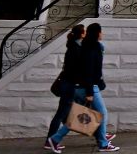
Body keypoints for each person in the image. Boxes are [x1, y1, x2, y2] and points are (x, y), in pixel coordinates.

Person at [49, 22, 118, 152]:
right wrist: (90, 92)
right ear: (97, 33)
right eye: (100, 31)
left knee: (81, 116)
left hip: (82, 87)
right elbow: (89, 71)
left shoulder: (87, 46)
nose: (102, 34)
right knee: (101, 114)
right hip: (89, 87)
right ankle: (103, 143)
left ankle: (55, 139)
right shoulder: (93, 48)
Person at [44, 24, 85, 152]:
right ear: (82, 34)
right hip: (69, 86)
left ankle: (52, 139)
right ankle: (51, 140)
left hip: (68, 84)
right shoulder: (75, 49)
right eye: (85, 31)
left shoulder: (74, 46)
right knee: (61, 114)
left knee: (63, 114)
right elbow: (75, 69)